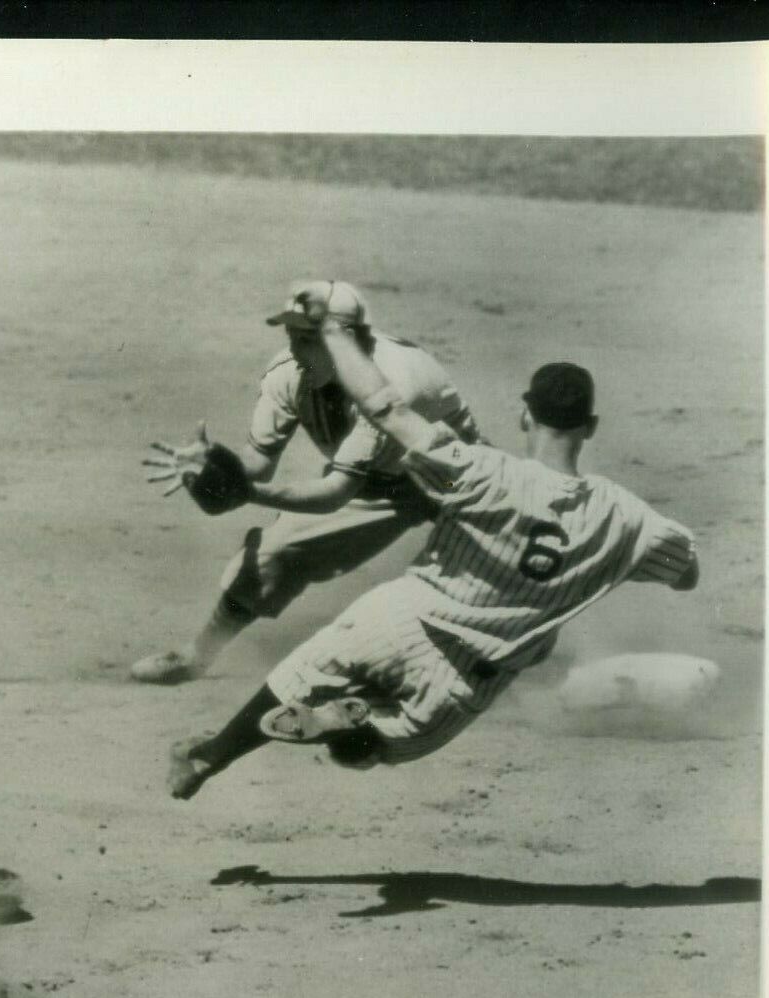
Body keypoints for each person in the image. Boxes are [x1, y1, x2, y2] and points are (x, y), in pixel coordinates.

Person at [167, 284, 699, 798]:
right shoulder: (626, 518)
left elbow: (383, 406)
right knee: (377, 747)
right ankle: (341, 725)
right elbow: (686, 573)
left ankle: (210, 756)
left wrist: (332, 328)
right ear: (591, 426)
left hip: (392, 619)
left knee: (299, 676)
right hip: (463, 678)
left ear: (524, 414)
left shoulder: (480, 471)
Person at [135, 278, 481, 684]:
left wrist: (245, 493)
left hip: (463, 480)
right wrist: (214, 466)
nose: (296, 350)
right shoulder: (287, 373)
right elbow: (258, 463)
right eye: (292, 335)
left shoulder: (391, 386)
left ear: (345, 339)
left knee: (497, 580)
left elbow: (334, 494)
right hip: (379, 483)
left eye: (308, 338)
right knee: (275, 549)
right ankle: (197, 655)